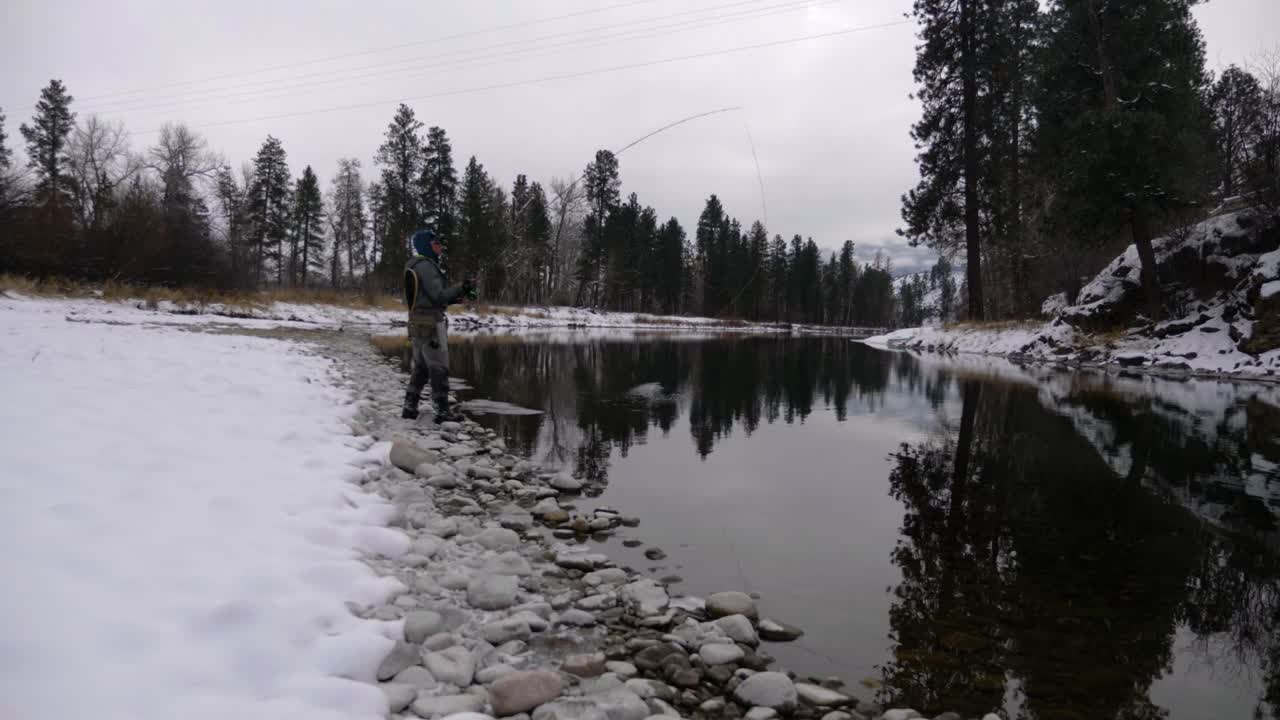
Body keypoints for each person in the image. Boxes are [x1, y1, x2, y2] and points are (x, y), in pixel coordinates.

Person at [401, 228, 477, 422]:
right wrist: (463, 287)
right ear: (427, 245)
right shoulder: (427, 266)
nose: (440, 246)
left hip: (416, 322)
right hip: (431, 324)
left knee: (421, 367)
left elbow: (430, 298)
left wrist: (456, 297)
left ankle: (410, 407)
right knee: (439, 367)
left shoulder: (413, 264)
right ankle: (442, 412)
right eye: (436, 243)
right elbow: (439, 296)